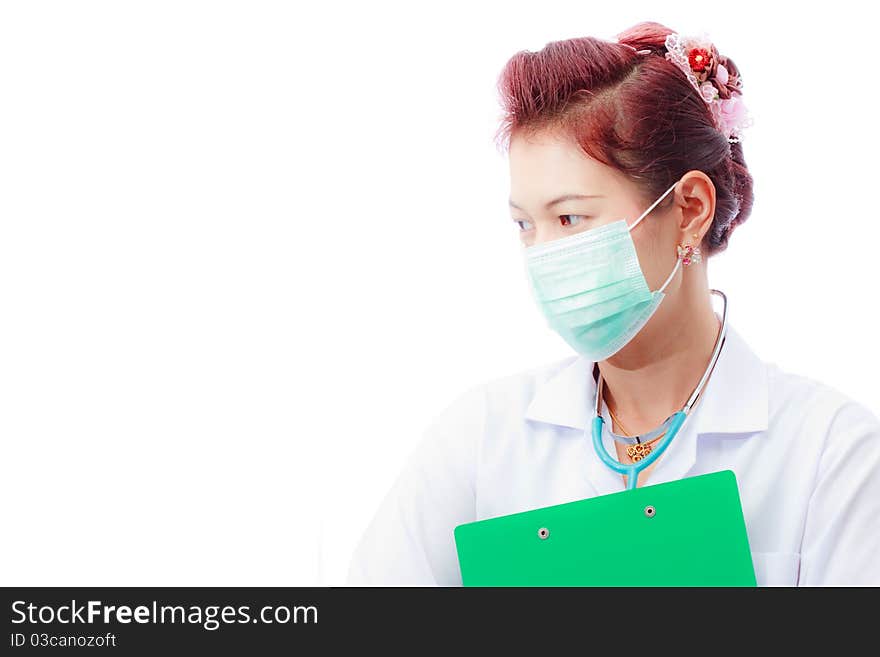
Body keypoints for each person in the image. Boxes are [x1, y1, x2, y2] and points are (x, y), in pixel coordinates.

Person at [346, 21, 880, 586]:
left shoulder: (830, 452)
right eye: (525, 225)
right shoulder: (482, 438)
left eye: (571, 218)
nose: (544, 255)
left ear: (691, 209)